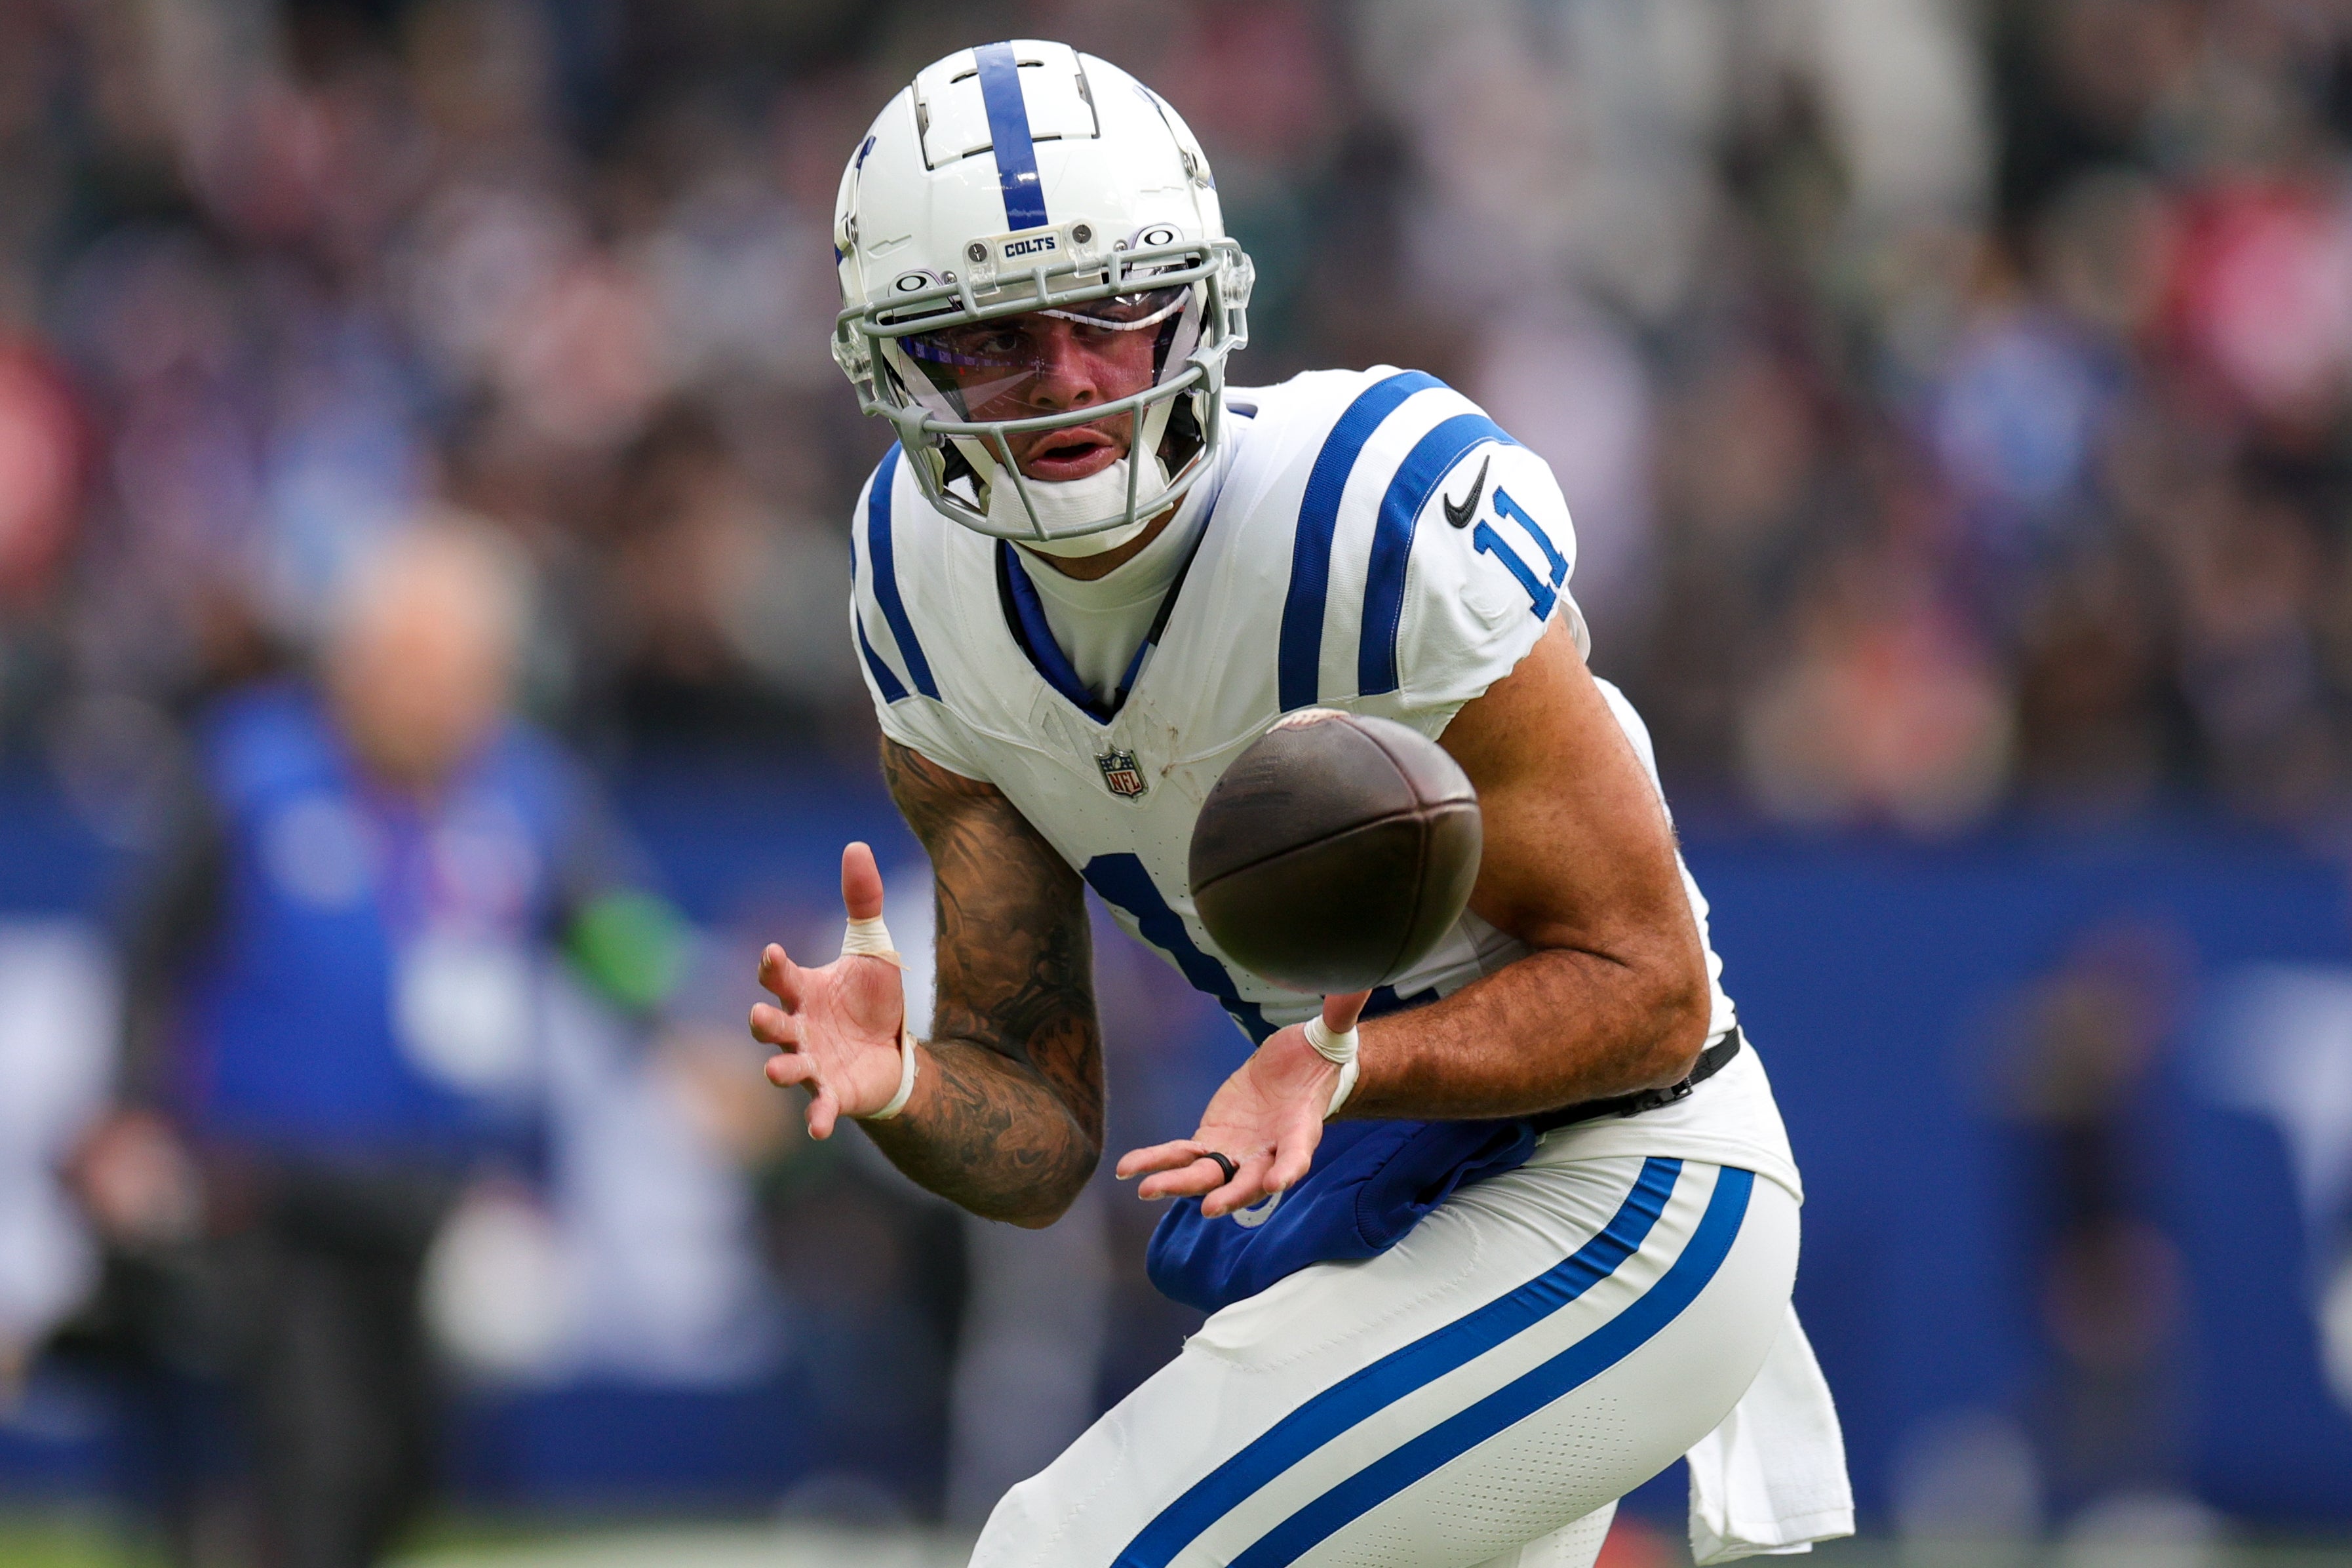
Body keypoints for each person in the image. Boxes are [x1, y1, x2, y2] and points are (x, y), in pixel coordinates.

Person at [753, 41, 1851, 1567]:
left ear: (1198, 302)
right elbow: (1045, 1134)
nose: (1067, 376)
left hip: (1629, 1186)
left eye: (1113, 314)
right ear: (898, 366)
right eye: (991, 337)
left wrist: (1347, 1065)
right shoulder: (915, 589)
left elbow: (1653, 993)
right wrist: (905, 1091)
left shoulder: (1370, 516)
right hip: (1407, 1210)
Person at [69, 517, 678, 1568]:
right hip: (269, 1188)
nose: (430, 696)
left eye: (458, 671)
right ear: (352, 663)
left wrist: (687, 1023)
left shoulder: (527, 793)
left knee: (407, 1468)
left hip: (436, 1195)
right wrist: (127, 1113)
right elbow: (149, 954)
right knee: (314, 1461)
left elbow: (615, 932)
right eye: (407, 665)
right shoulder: (254, 772)